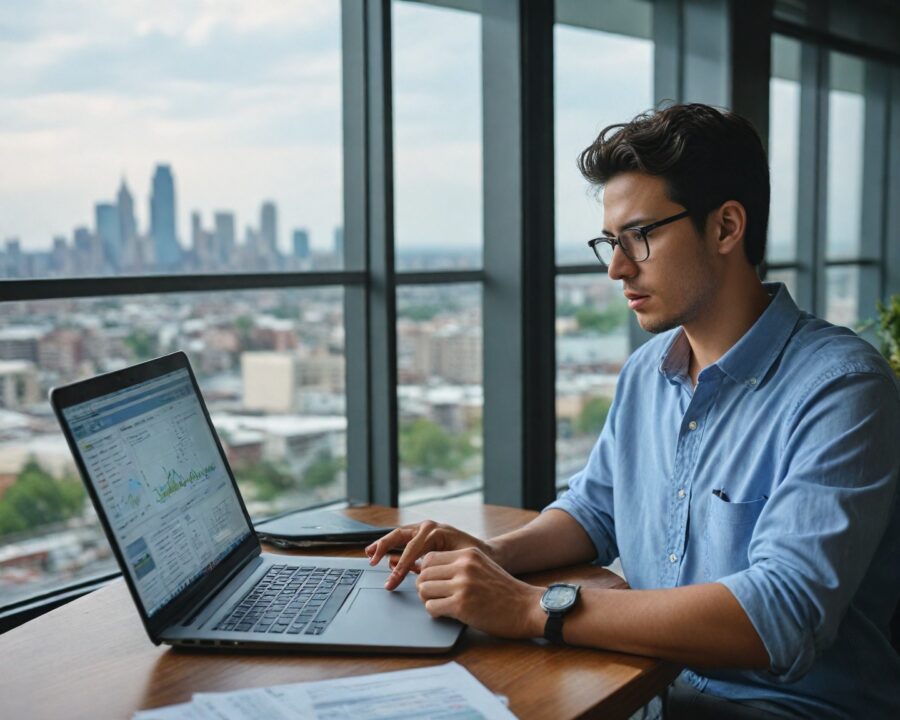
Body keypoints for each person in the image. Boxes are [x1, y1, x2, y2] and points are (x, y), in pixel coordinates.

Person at [365, 103, 900, 719]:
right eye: (609, 243)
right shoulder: (649, 371)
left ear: (726, 227)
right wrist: (491, 560)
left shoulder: (842, 388)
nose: (617, 268)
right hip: (645, 687)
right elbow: (594, 512)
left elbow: (781, 614)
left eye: (639, 236)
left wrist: (526, 607)